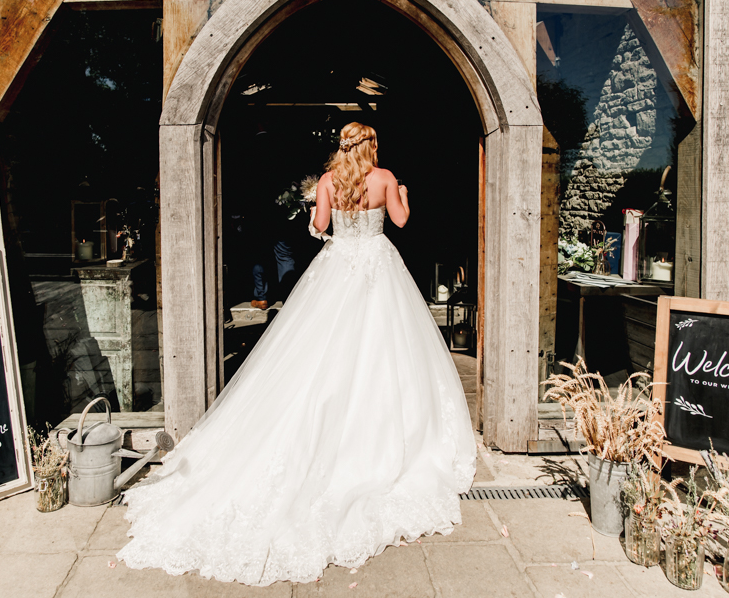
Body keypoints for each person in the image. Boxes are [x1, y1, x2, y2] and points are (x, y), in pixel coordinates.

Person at [117, 122, 476, 586]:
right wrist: (403, 193)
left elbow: (319, 228)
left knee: (323, 346)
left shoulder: (328, 182)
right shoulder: (386, 178)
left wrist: (316, 216)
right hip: (379, 265)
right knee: (386, 348)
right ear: (370, 146)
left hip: (339, 266)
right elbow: (402, 221)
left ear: (342, 147)